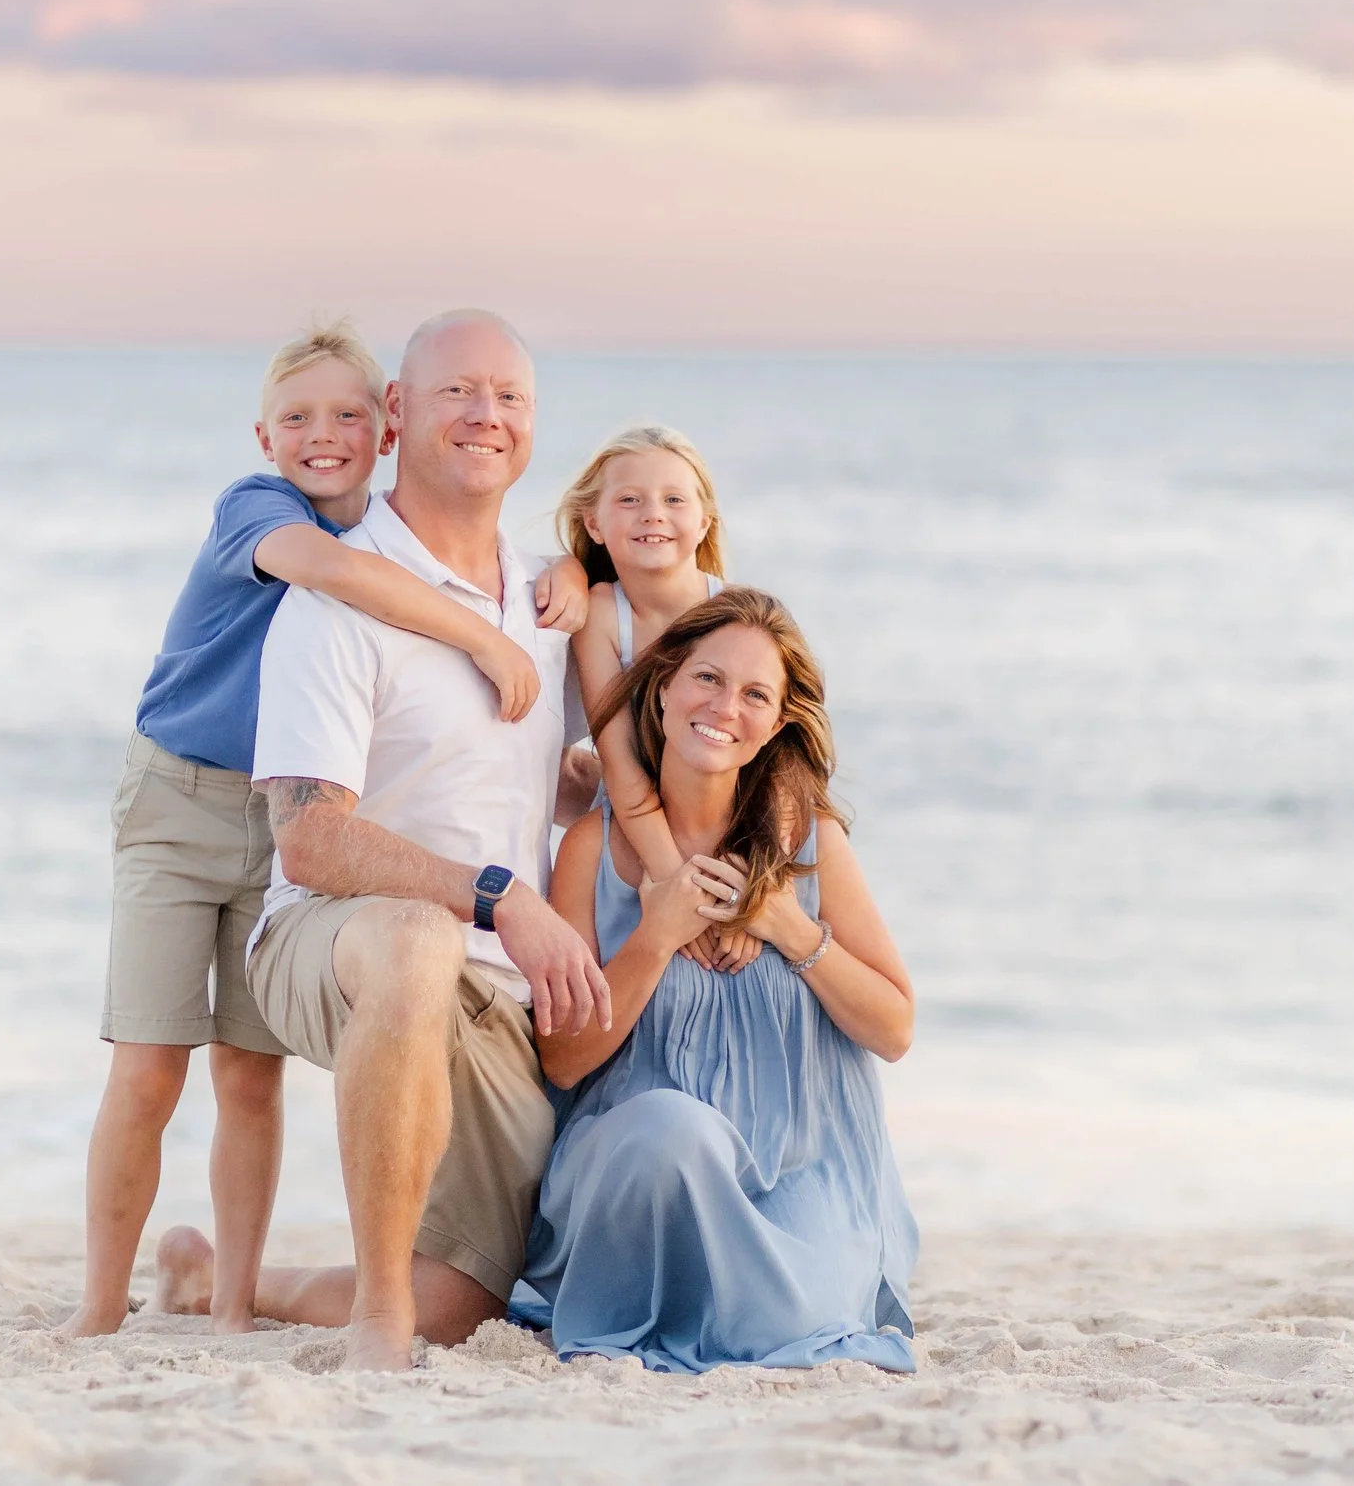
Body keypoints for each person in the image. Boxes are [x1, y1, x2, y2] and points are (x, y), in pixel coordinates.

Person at [57, 322, 584, 1339]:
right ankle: (333, 1322)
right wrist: (497, 891)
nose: (486, 415)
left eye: (509, 396)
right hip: (241, 850)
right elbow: (310, 839)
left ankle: (225, 1284)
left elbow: (504, 768)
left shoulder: (547, 595)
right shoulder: (323, 569)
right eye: (457, 392)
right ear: (404, 416)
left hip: (483, 981)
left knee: (457, 1301)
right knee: (159, 1057)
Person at [513, 587, 922, 1373]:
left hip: (801, 1171)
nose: (725, 705)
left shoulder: (812, 843)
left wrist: (790, 928)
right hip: (640, 1170)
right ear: (663, 688)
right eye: (707, 678)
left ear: (776, 723)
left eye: (755, 694)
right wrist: (657, 935)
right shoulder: (593, 848)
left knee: (788, 1321)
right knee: (675, 1131)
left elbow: (895, 1028)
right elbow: (562, 1057)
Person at [556, 424, 752, 971]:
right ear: (594, 522)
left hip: (735, 830)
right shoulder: (600, 615)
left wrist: (750, 880)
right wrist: (671, 880)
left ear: (704, 520)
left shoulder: (740, 611)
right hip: (632, 828)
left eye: (673, 499)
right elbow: (616, 758)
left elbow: (782, 760)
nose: (653, 514)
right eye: (629, 500)